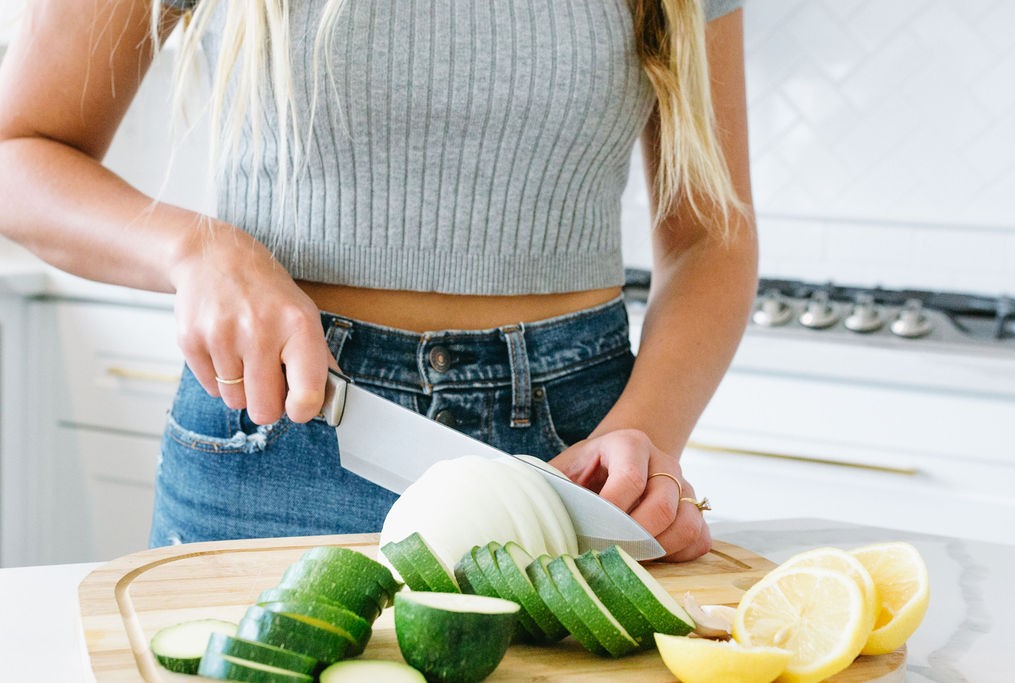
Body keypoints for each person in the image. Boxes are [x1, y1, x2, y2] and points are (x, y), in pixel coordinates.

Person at [0, 0, 756, 562]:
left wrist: (647, 430)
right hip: (282, 436)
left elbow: (709, 234)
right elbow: (17, 151)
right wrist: (197, 250)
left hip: (575, 455)